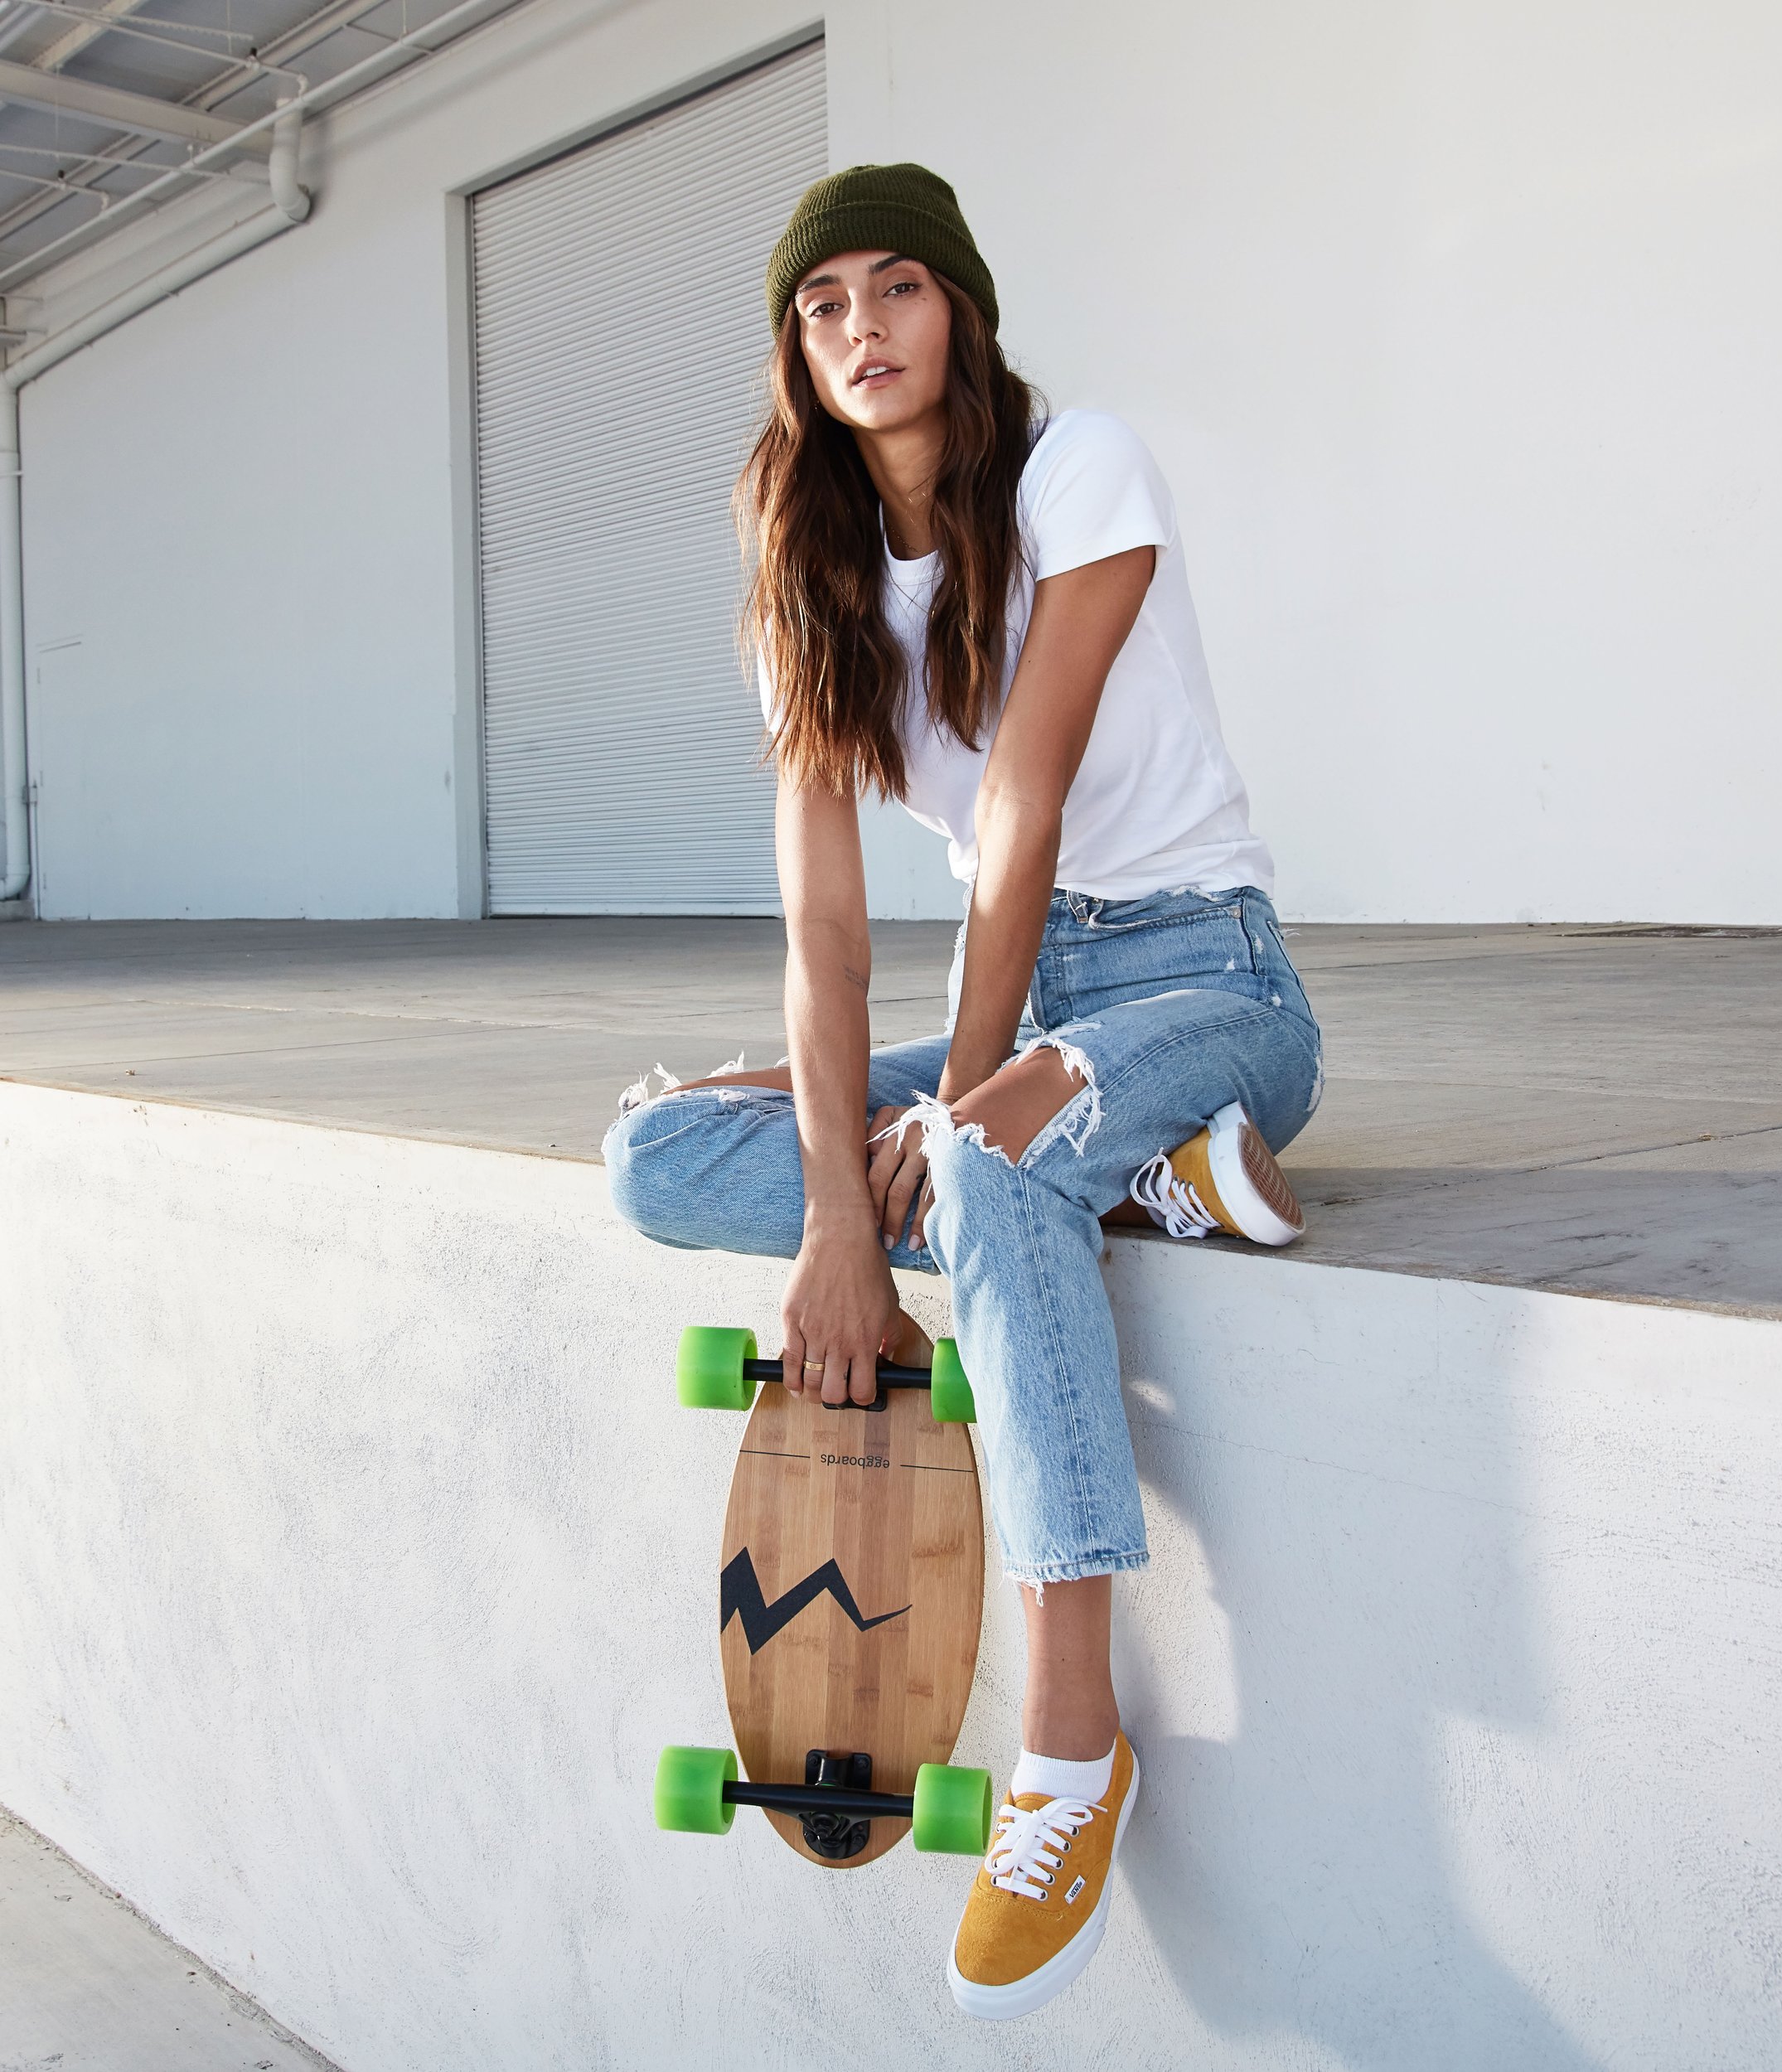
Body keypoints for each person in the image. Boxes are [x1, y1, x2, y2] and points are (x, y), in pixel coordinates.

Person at [604, 162, 1323, 2020]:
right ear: (795, 351)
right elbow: (824, 929)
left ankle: (1069, 1748)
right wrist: (837, 1218)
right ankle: (1144, 1176)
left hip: (1202, 981)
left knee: (990, 1162)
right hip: (1038, 1018)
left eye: (897, 285)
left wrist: (954, 1115)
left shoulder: (1080, 469)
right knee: (662, 1149)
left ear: (963, 309)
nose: (863, 327)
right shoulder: (812, 580)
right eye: (821, 302)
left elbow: (1020, 807)